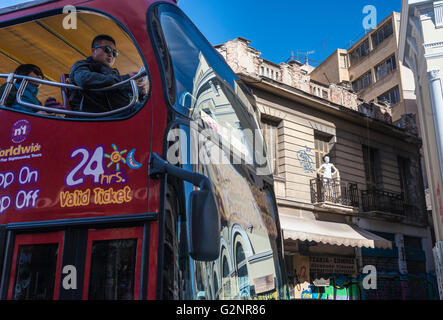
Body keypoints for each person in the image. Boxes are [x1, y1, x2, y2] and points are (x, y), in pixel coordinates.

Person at [69, 34, 148, 113]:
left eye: (114, 53)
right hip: (95, 116)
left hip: (117, 115)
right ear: (93, 51)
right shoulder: (81, 65)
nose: (111, 55)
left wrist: (141, 92)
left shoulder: (113, 74)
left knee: (148, 107)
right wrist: (126, 79)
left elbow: (127, 98)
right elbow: (84, 79)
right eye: (107, 49)